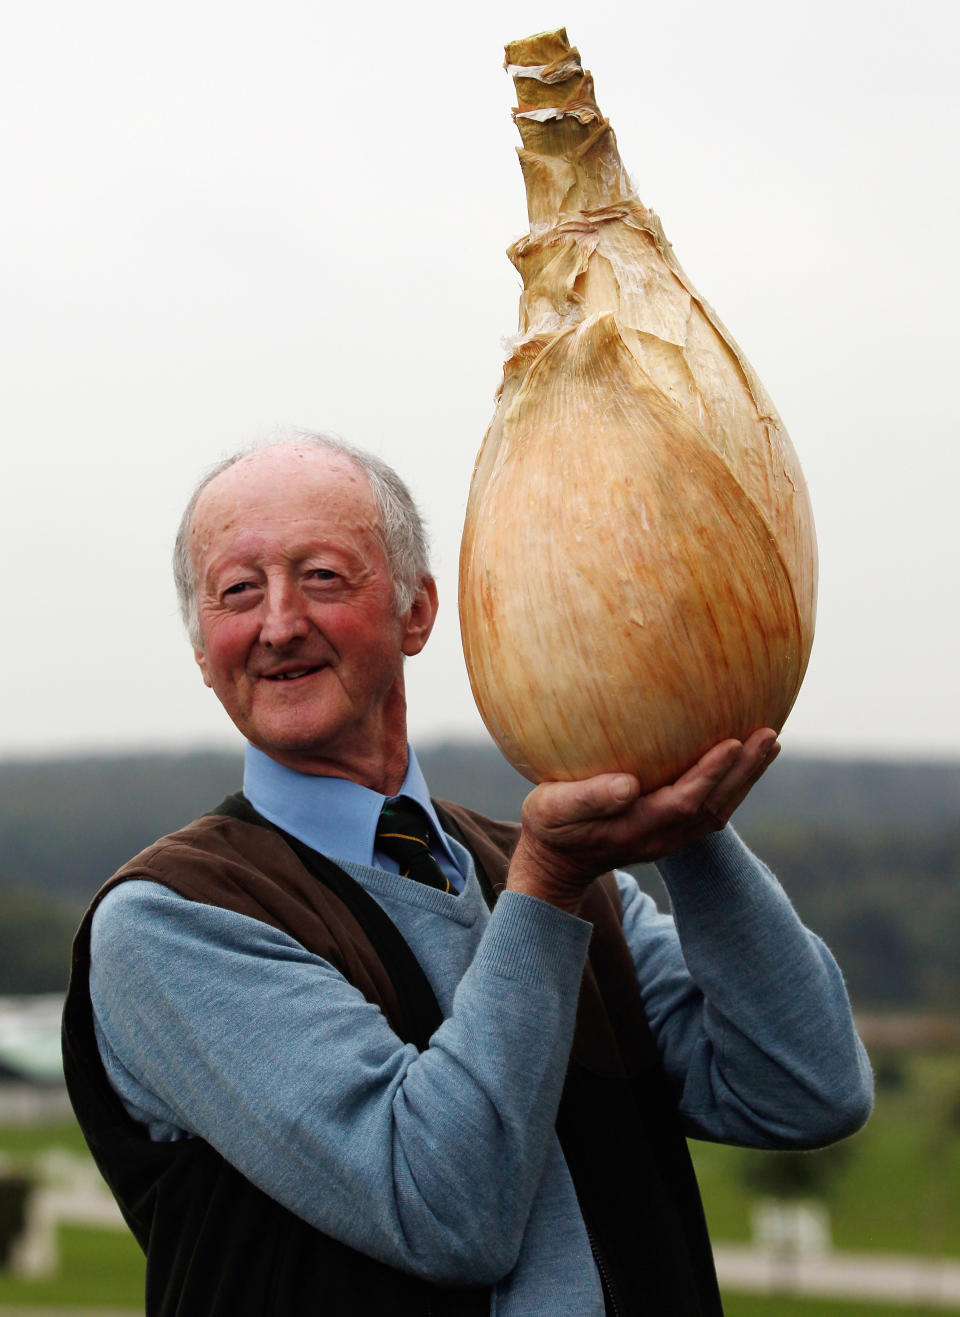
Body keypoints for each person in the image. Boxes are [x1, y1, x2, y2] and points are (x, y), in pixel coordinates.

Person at [62, 432, 873, 1317]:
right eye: (237, 591)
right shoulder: (171, 919)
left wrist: (689, 820)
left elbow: (806, 1090)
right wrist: (549, 882)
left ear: (417, 611)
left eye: (323, 576)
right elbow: (442, 1209)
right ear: (201, 648)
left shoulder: (560, 882)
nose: (279, 622)